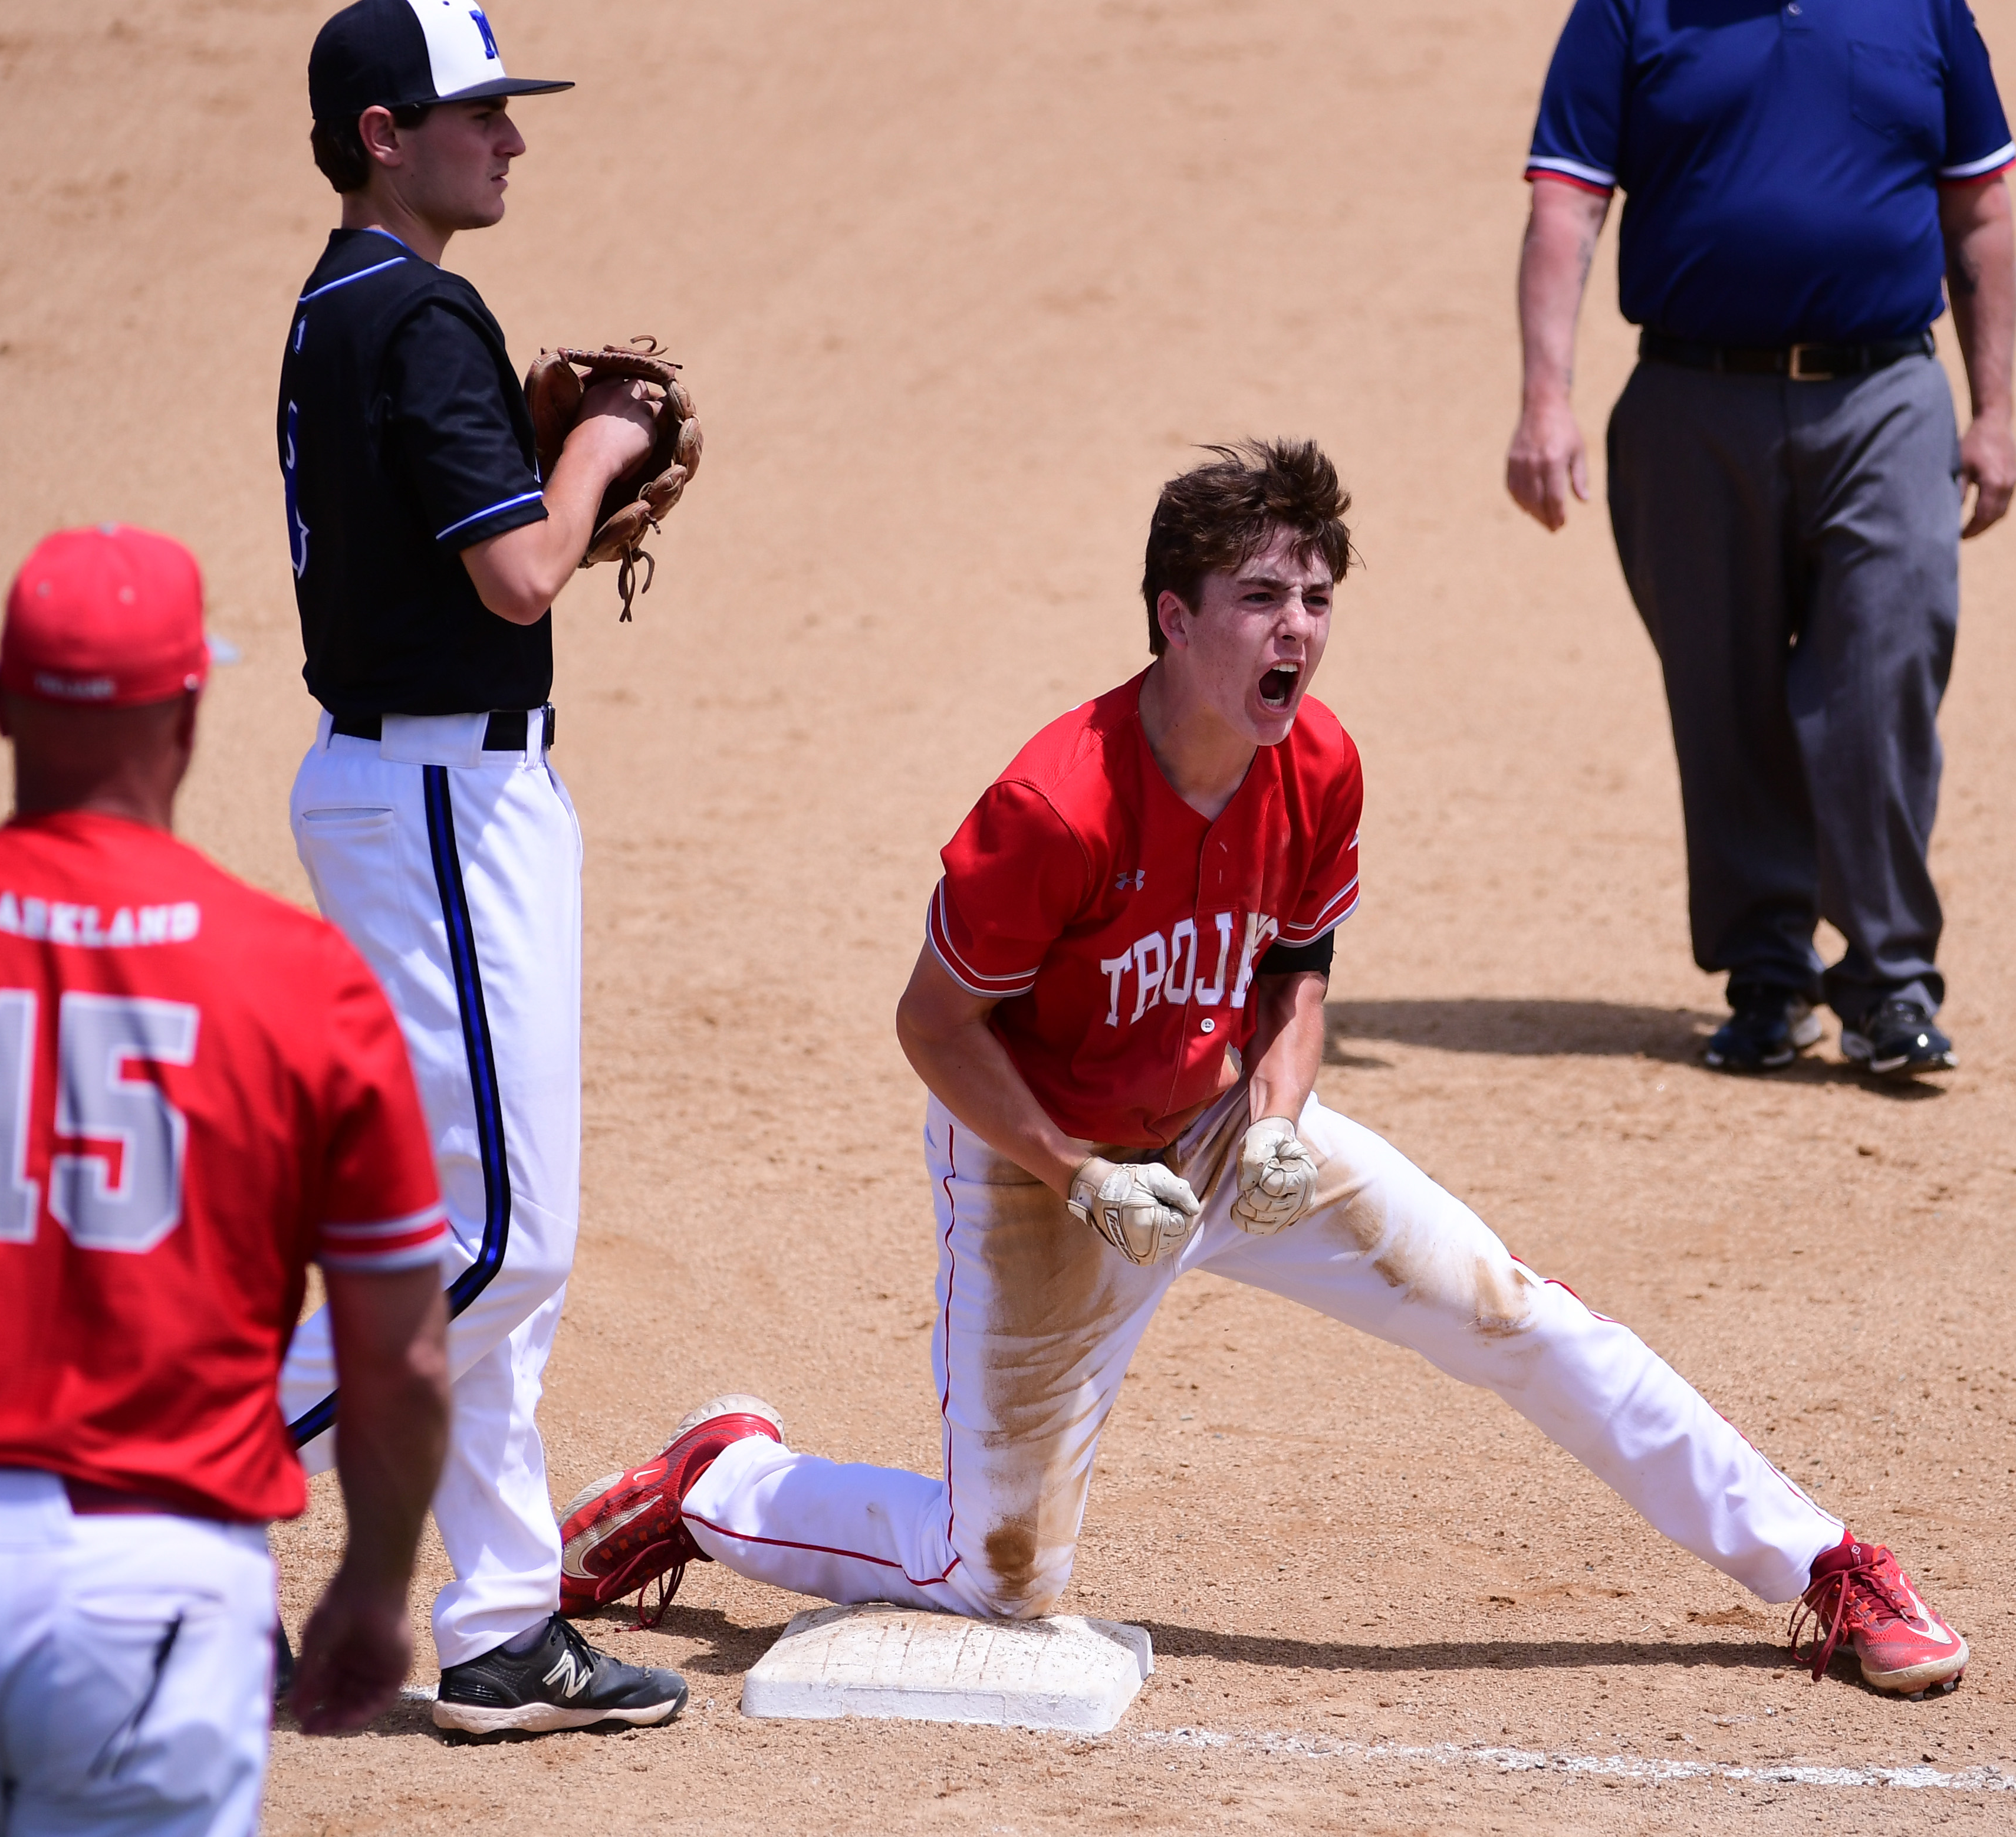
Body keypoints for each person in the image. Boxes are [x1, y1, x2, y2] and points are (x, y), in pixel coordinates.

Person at [557, 443, 1969, 1700]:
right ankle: (719, 1480)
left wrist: (1281, 1120)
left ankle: (1825, 1562)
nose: (1297, 630)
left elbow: (1299, 963)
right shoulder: (1056, 804)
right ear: (1175, 620)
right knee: (997, 1576)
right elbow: (936, 1027)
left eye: (1315, 599)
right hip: (1041, 1170)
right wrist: (1082, 1172)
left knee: (1513, 1311)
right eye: (1260, 598)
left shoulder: (1319, 763)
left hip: (1228, 1130)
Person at [0, 525, 453, 1836]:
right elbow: (408, 1359)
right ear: (193, 708)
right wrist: (376, 1587)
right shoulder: (300, 982)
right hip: (146, 1588)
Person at [273, 0, 687, 1735]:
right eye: (477, 114)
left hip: (432, 791)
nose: (510, 139)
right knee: (489, 1238)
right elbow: (519, 578)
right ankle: (133, 1471)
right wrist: (597, 453)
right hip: (440, 794)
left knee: (489, 1231)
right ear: (385, 133)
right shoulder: (421, 308)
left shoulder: (339, 300)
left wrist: (540, 471)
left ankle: (506, 1624)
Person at [1505, 0, 2016, 1077]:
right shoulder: (1631, 11)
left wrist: (1997, 408)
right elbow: (1566, 202)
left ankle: (1887, 985)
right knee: (1722, 691)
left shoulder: (1921, 8)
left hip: (1884, 394)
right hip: (1690, 400)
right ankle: (1767, 976)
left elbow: (1979, 208)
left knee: (1880, 682)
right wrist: (1544, 401)